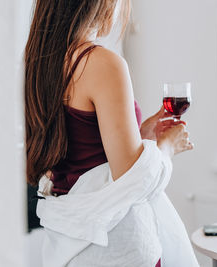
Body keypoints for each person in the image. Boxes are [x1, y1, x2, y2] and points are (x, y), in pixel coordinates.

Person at [25, 0, 199, 266]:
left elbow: (81, 152)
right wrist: (167, 147)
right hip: (116, 244)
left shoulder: (36, 69)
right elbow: (132, 178)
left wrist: (140, 133)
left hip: (67, 246)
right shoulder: (102, 62)